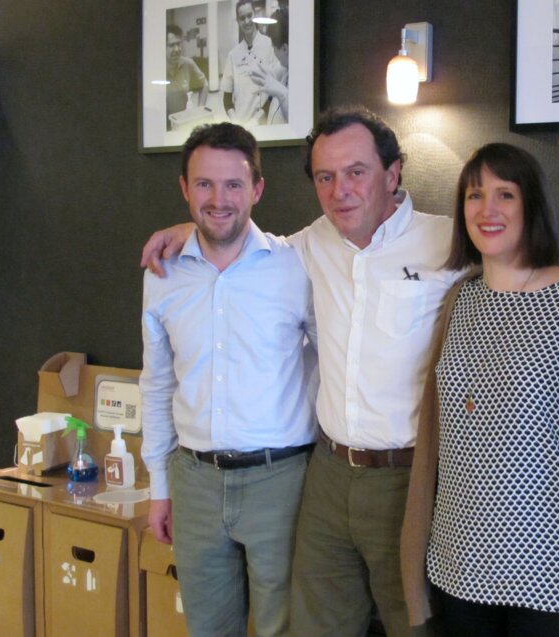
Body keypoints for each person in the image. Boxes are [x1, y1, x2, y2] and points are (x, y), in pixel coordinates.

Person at [140, 106, 462, 637]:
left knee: (412, 623)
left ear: (392, 173)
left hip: (386, 475)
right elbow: (233, 248)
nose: (340, 190)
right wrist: (195, 227)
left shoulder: (446, 242)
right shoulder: (305, 247)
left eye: (355, 172)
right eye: (325, 177)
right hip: (310, 474)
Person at [401, 143, 559, 637]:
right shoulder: (459, 300)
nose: (487, 210)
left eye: (505, 195)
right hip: (461, 564)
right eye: (475, 195)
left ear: (531, 204)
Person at [139, 122, 317, 637]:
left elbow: (333, 358)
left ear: (257, 189)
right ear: (184, 188)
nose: (219, 200)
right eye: (205, 184)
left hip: (281, 481)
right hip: (193, 481)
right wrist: (159, 488)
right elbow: (157, 384)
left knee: (284, 628)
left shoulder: (296, 266)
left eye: (233, 184)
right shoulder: (162, 275)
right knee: (207, 629)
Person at [220, 0, 283, 126]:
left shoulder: (270, 46)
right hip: (242, 123)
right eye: (242, 18)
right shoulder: (233, 55)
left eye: (249, 15)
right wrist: (236, 123)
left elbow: (276, 91)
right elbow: (227, 100)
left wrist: (256, 120)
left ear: (255, 15)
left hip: (265, 122)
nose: (247, 21)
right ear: (238, 21)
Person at [165, 24, 207, 130]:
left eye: (179, 44)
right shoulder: (155, 69)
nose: (177, 49)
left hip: (182, 123)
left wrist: (200, 110)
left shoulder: (188, 64)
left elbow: (204, 84)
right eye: (172, 45)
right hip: (162, 125)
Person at [251, 5, 289, 124]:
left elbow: (299, 120)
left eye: (274, 48)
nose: (273, 51)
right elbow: (271, 74)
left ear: (284, 49)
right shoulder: (285, 71)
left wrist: (281, 93)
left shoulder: (304, 81)